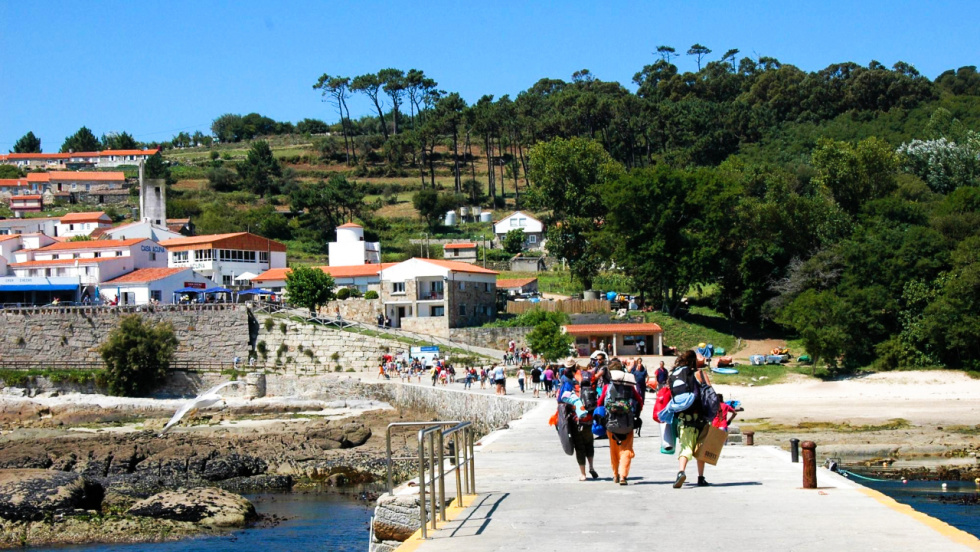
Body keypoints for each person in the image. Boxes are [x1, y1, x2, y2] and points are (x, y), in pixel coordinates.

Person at [597, 366, 643, 485]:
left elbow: (600, 403)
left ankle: (615, 474)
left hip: (611, 423)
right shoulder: (630, 387)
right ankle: (623, 476)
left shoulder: (607, 387)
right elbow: (640, 401)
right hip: (628, 424)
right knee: (626, 449)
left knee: (614, 450)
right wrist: (635, 414)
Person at [671, 350, 710, 488]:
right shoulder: (698, 374)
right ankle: (701, 477)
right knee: (701, 450)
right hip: (701, 419)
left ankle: (681, 472)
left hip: (684, 420)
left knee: (686, 448)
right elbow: (709, 392)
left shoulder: (674, 375)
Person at [557, 359, 598, 481]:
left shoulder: (567, 379)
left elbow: (561, 398)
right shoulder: (587, 377)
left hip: (575, 418)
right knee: (589, 443)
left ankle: (583, 474)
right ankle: (591, 466)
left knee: (579, 446)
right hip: (588, 416)